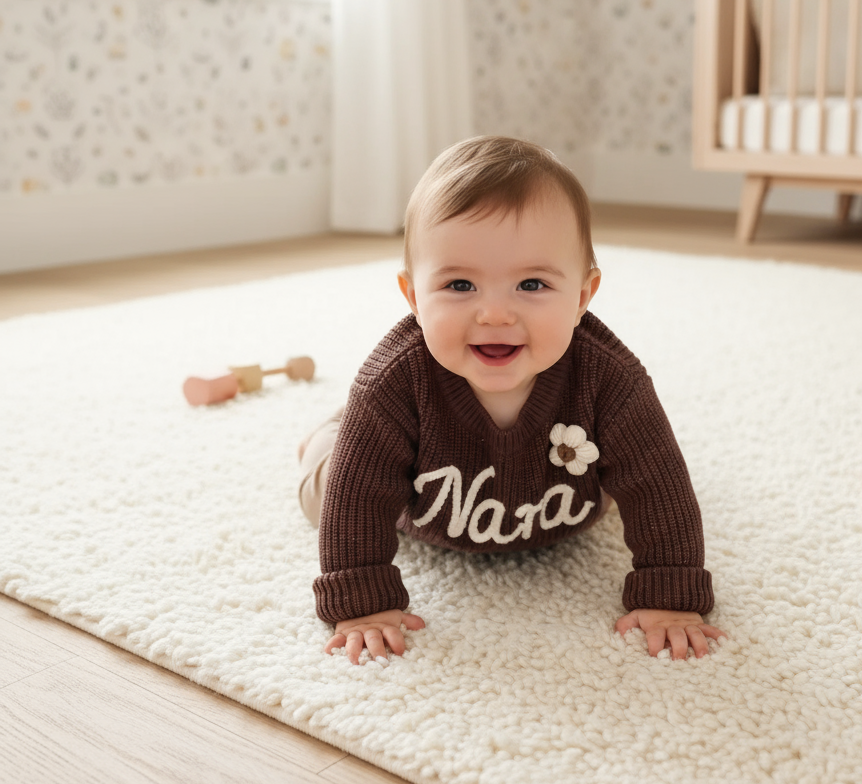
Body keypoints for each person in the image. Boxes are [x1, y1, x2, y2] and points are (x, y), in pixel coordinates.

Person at [298, 135, 725, 664]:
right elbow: (358, 496)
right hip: (418, 509)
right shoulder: (391, 383)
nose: (495, 314)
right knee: (330, 490)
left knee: (630, 466)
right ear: (413, 297)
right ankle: (329, 435)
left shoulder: (610, 379)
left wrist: (671, 595)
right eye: (459, 286)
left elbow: (657, 481)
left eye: (531, 283)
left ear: (583, 297)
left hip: (559, 502)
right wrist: (362, 604)